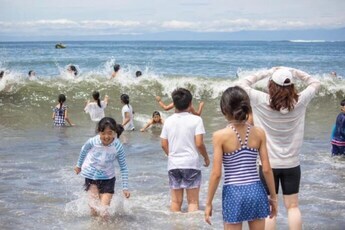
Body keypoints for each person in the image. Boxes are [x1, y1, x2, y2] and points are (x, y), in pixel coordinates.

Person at [238, 67, 321, 230]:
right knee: (293, 206)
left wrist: (267, 72)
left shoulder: (260, 99)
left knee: (270, 207)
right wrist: (294, 72)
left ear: (271, 85)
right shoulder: (300, 100)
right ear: (292, 87)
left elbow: (241, 84)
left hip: (267, 164)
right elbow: (315, 83)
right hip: (292, 163)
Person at [204, 86, 277, 229]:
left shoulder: (220, 136)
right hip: (256, 190)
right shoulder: (259, 133)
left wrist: (208, 203)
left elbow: (216, 174)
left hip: (233, 194)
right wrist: (273, 197)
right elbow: (267, 169)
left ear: (224, 110)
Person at [160, 88, 210, 212]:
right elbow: (199, 144)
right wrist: (206, 157)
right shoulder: (196, 120)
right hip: (191, 164)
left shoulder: (168, 121)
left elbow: (163, 144)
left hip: (173, 165)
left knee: (176, 202)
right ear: (190, 103)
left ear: (174, 104)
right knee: (192, 202)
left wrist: (171, 155)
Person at [74, 117, 130, 219]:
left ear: (114, 132)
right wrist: (79, 165)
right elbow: (83, 150)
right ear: (99, 132)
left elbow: (124, 168)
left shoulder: (117, 146)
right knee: (94, 209)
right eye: (103, 133)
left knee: (104, 212)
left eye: (110, 133)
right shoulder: (92, 141)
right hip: (92, 177)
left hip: (108, 180)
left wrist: (125, 187)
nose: (106, 136)